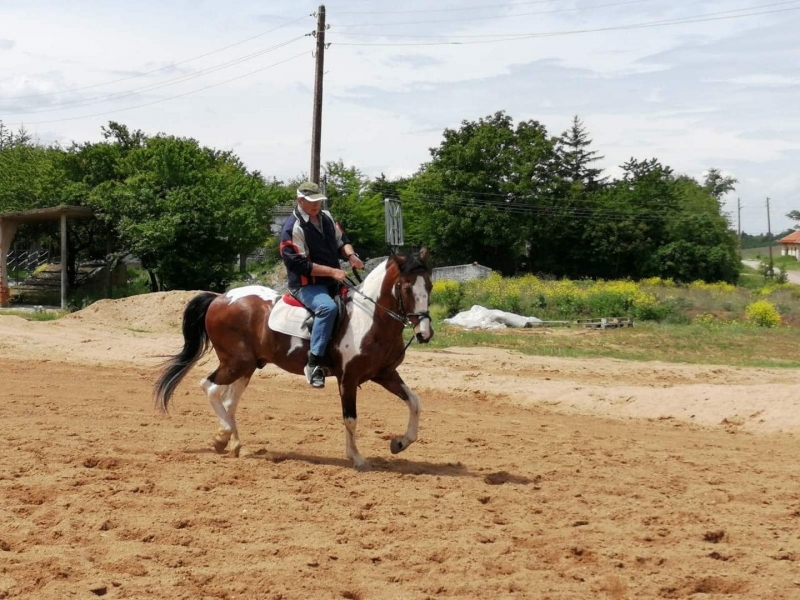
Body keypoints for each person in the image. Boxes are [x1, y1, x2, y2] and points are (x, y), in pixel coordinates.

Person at [280, 181, 364, 388]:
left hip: (332, 281)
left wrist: (351, 255)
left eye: (318, 200)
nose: (316, 204)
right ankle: (314, 363)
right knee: (328, 308)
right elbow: (299, 264)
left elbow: (342, 241)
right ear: (300, 200)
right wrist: (333, 271)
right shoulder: (293, 227)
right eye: (311, 201)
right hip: (305, 285)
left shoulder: (327, 217)